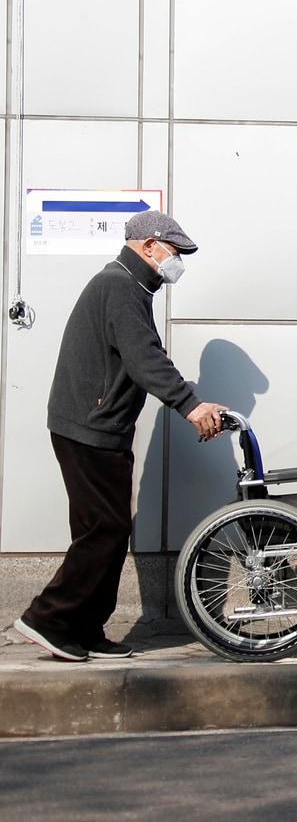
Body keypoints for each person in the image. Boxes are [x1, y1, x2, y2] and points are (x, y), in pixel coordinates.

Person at [13, 211, 226, 662]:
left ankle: (84, 628)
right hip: (89, 428)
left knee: (102, 530)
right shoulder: (119, 286)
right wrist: (190, 405)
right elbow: (144, 358)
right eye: (175, 252)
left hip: (98, 428)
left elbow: (145, 355)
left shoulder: (131, 287)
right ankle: (48, 618)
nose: (178, 261)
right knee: (105, 530)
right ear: (149, 246)